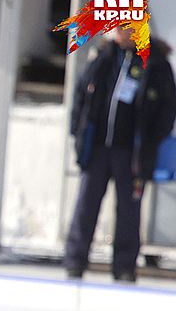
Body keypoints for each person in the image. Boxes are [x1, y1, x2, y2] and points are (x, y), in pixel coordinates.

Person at [64, 27, 176, 283]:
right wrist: (78, 131)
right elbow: (82, 95)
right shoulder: (104, 57)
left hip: (132, 152)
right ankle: (75, 261)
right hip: (99, 147)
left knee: (129, 210)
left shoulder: (155, 62)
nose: (118, 32)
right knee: (86, 204)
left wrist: (151, 140)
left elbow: (167, 107)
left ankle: (125, 266)